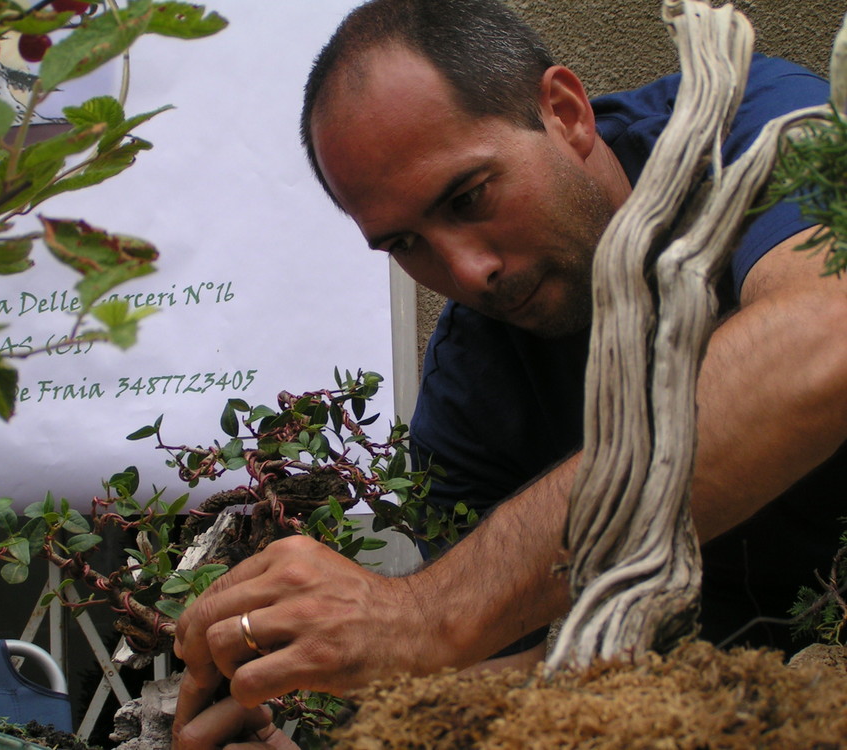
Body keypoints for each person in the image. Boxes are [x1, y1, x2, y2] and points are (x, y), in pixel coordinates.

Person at [172, 0, 847, 746]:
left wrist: (433, 611)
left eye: (469, 198)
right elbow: (538, 669)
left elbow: (829, 334)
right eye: (404, 243)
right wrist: (360, 730)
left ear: (564, 112)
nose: (466, 272)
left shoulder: (751, 127)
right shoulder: (469, 398)